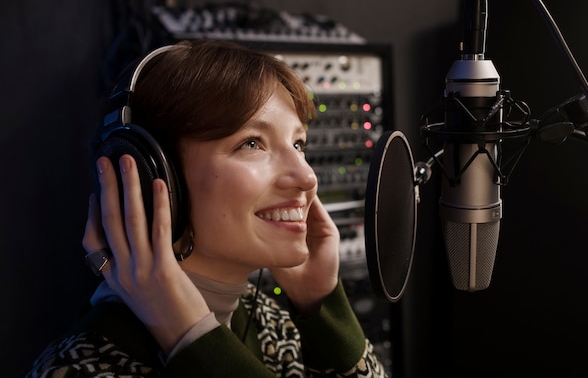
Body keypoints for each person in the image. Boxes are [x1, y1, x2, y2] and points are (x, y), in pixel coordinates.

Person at [24, 39, 388, 377]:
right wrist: (195, 339)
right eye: (251, 143)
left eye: (298, 144)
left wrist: (321, 304)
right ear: (158, 178)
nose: (307, 177)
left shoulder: (267, 319)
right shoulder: (80, 368)